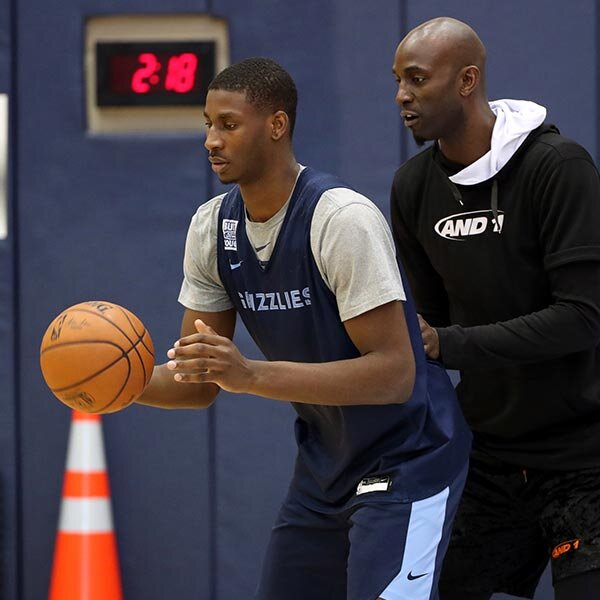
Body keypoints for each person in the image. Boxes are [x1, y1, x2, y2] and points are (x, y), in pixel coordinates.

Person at [136, 57, 471, 600]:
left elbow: (394, 375)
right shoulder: (210, 229)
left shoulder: (341, 220)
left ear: (276, 125)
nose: (211, 141)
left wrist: (251, 376)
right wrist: (118, 385)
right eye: (207, 124)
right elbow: (196, 382)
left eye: (228, 124)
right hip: (325, 467)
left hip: (408, 457)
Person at [390, 17, 600, 600]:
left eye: (416, 79)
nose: (402, 95)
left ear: (466, 80)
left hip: (585, 459)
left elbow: (584, 318)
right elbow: (426, 329)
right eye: (397, 81)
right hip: (490, 459)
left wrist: (450, 343)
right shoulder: (411, 187)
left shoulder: (557, 168)